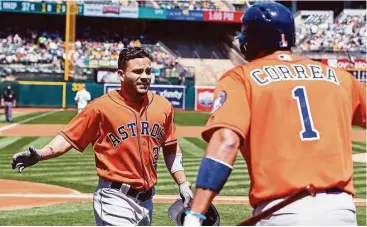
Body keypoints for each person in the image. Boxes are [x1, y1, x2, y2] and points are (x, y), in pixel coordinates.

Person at [184, 2, 366, 226]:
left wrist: (195, 214)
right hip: (341, 211)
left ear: (255, 38)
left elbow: (226, 141)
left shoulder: (241, 77)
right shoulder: (340, 77)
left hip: (283, 211)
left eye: (245, 32)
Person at [11, 47, 193, 226]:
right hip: (114, 199)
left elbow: (170, 146)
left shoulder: (163, 106)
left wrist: (183, 183)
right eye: (137, 71)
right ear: (121, 74)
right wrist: (42, 153)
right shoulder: (100, 107)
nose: (144, 76)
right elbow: (68, 138)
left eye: (148, 71)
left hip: (146, 202)